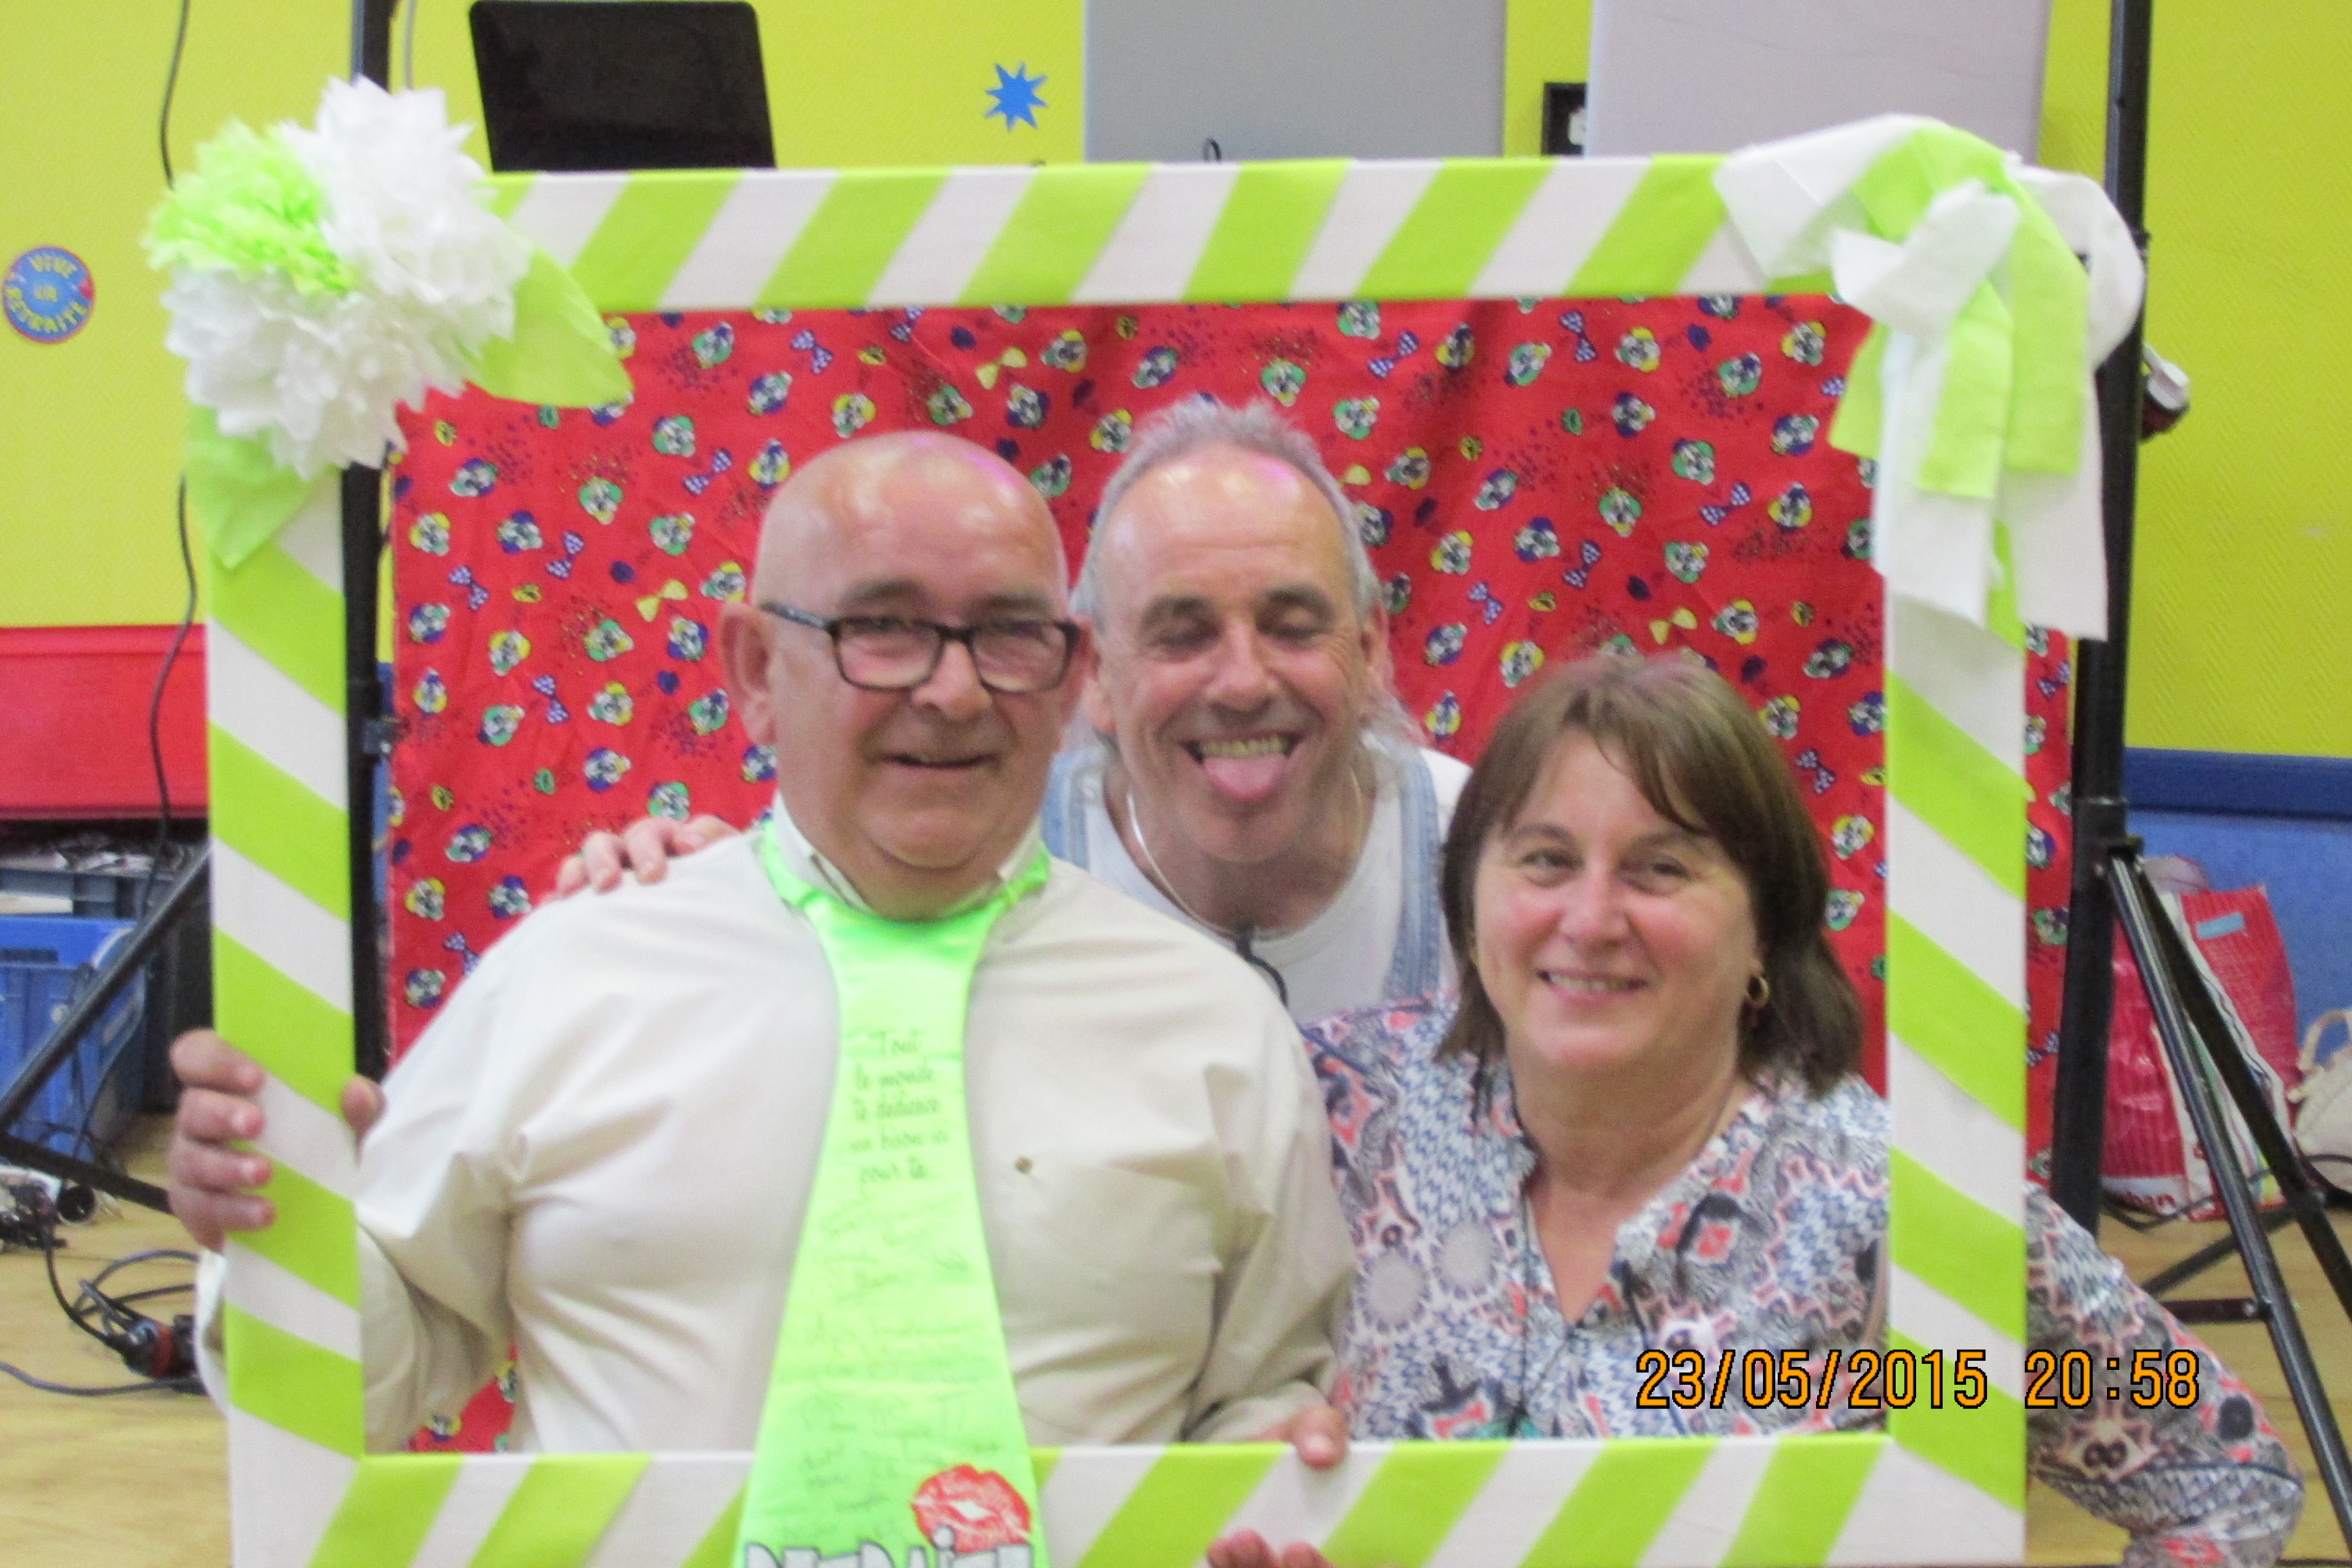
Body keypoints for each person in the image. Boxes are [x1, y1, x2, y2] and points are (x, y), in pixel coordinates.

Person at [172, 431, 1356, 1460]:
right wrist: (278, 1229)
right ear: (752, 670)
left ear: (1069, 680)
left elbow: (1264, 1398)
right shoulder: (576, 971)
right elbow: (370, 1378)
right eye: (882, 629)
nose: (953, 693)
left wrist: (1275, 1476)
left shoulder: (1214, 1027)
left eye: (1007, 636)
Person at [1211, 654, 2302, 1568]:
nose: (1590, 918)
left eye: (1661, 869)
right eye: (1545, 860)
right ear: (1470, 902)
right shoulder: (1334, 1113)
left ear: (1764, 934)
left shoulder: (1894, 1213)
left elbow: (2224, 1477)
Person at [558, 399, 1469, 1022]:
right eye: (1181, 635)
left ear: (1372, 650)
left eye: (1293, 627)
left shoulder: (1489, 856)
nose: (1241, 682)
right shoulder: (981, 845)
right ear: (1094, 675)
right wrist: (710, 892)